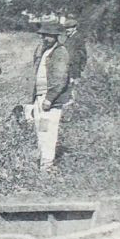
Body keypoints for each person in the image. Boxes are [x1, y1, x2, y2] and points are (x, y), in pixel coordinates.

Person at [30, 21, 74, 170]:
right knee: (41, 130)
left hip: (50, 100)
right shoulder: (46, 51)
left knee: (48, 131)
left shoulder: (60, 52)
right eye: (43, 35)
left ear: (56, 36)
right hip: (40, 97)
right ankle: (44, 161)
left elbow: (60, 78)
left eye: (48, 36)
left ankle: (47, 165)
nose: (45, 39)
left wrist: (49, 98)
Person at [62, 16, 88, 81]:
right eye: (65, 28)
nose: (66, 30)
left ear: (75, 28)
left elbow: (81, 53)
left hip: (74, 67)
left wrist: (79, 68)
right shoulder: (69, 37)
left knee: (73, 84)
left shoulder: (78, 37)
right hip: (67, 66)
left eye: (69, 28)